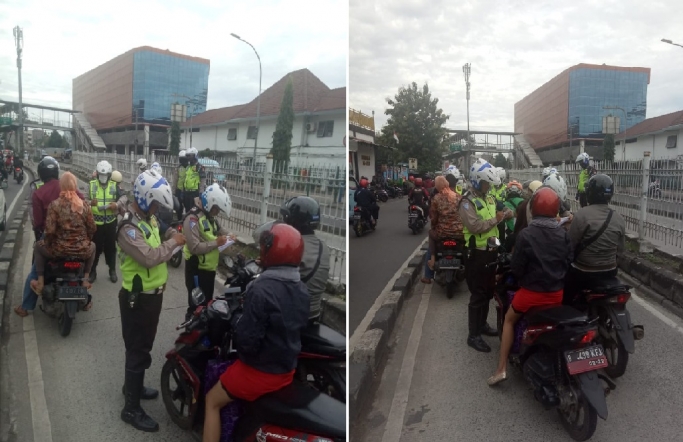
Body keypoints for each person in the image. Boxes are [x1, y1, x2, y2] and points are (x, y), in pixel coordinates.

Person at [203, 223, 309, 442]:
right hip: (287, 368)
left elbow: (247, 342)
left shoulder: (261, 289)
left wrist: (238, 323)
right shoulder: (301, 288)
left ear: (270, 250)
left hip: (261, 372)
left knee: (211, 401)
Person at [117, 169, 186, 432]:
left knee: (141, 347)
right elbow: (148, 257)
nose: (157, 208)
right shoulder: (129, 227)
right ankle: (130, 409)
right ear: (144, 198)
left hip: (150, 298)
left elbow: (164, 231)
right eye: (155, 202)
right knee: (138, 349)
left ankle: (131, 387)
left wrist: (173, 236)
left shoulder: (148, 218)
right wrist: (174, 244)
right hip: (137, 300)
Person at [487, 187, 571, 386]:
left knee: (508, 320)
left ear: (533, 208)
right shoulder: (563, 233)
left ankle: (501, 369)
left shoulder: (526, 234)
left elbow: (516, 268)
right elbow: (569, 261)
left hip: (531, 294)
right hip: (556, 295)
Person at [15, 157, 85, 318]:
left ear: (41, 174)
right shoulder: (70, 188)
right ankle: (86, 300)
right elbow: (83, 203)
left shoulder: (39, 193)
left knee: (35, 269)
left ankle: (26, 306)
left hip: (52, 240)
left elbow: (38, 222)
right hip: (74, 237)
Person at [459, 158, 513, 352]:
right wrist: (495, 219)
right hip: (476, 255)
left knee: (489, 292)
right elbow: (474, 226)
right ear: (475, 181)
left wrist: (507, 214)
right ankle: (473, 335)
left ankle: (482, 325)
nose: (488, 186)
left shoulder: (488, 197)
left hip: (491, 252)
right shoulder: (467, 202)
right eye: (485, 182)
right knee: (478, 295)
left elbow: (496, 225)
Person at [30, 172, 97, 307]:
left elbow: (49, 231)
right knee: (93, 246)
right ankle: (85, 279)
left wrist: (47, 243)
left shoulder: (55, 205)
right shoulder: (84, 205)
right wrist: (86, 241)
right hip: (81, 251)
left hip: (59, 251)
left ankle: (41, 281)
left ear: (62, 186)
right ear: (75, 185)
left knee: (38, 247)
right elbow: (92, 228)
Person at [563, 174, 625, 305]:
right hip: (610, 271)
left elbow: (570, 245)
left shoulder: (581, 214)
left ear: (589, 193)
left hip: (584, 270)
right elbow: (620, 251)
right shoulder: (619, 218)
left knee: (565, 296)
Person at [183, 184, 234, 319]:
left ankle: (203, 334)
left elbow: (220, 229)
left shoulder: (209, 217)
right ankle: (190, 333)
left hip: (209, 270)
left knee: (207, 305)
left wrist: (230, 236)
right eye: (216, 209)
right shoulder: (192, 219)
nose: (217, 212)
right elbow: (194, 247)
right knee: (196, 306)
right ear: (209, 203)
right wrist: (216, 243)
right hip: (196, 270)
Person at [279, 196, 330, 323]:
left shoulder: (293, 246)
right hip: (315, 312)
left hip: (292, 313)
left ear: (292, 221)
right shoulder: (322, 246)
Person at [89, 160, 121, 283]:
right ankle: (92, 271)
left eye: (105, 175)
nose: (103, 178)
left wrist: (116, 204)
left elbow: (123, 197)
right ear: (97, 174)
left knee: (111, 248)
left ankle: (112, 270)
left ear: (109, 175)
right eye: (101, 175)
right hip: (96, 223)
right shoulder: (91, 184)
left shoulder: (114, 185)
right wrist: (89, 202)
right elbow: (83, 200)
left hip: (110, 223)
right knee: (94, 248)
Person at [426, 176, 464, 271]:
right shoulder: (459, 197)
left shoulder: (437, 198)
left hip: (442, 233)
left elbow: (434, 217)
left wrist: (434, 226)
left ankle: (433, 258)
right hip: (459, 233)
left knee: (431, 233)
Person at [183, 147, 206, 212]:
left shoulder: (199, 167)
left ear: (194, 155)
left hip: (194, 193)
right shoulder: (188, 167)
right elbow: (186, 179)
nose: (188, 158)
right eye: (187, 156)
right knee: (187, 210)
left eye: (189, 156)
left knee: (194, 211)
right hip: (187, 192)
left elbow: (203, 179)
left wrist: (201, 192)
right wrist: (183, 191)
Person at [176, 150, 188, 215]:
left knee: (187, 206)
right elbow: (176, 179)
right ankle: (179, 219)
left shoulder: (190, 168)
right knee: (179, 207)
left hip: (187, 190)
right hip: (179, 190)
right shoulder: (178, 168)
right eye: (181, 159)